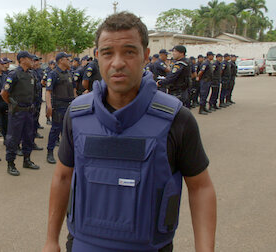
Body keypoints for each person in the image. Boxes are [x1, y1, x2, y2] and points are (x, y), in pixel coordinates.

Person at [42, 11, 216, 252]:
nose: (117, 63)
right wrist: (51, 240)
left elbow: (200, 187)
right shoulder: (78, 115)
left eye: (129, 52)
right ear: (97, 57)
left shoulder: (177, 119)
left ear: (145, 55)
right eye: (107, 53)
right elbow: (62, 176)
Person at [0, 51, 40, 176]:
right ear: (22, 59)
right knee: (13, 138)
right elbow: (4, 94)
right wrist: (12, 105)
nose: (32, 61)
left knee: (28, 137)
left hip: (29, 111)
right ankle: (10, 164)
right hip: (17, 113)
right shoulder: (14, 74)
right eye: (30, 59)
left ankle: (27, 160)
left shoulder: (31, 75)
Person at [45, 52, 75, 164]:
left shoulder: (70, 73)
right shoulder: (53, 74)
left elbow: (74, 91)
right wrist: (49, 106)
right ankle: (50, 152)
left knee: (68, 131)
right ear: (61, 60)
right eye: (67, 59)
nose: (69, 61)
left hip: (70, 105)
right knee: (55, 130)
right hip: (59, 107)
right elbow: (48, 91)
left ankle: (67, 155)